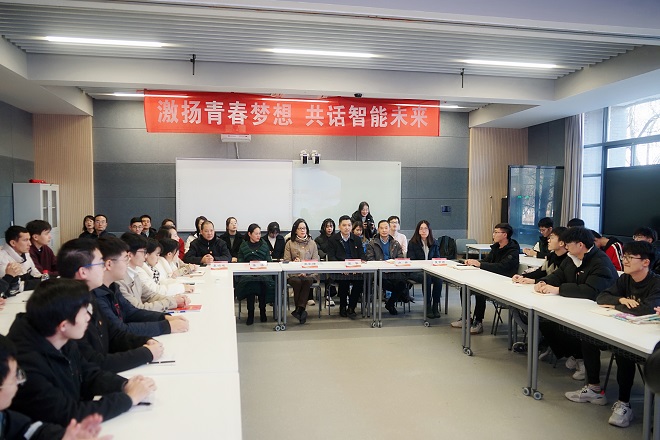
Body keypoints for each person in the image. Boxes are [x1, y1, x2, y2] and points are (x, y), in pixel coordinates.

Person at [7, 278, 157, 426]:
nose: (88, 318)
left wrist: (125, 385)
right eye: (84, 312)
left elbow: (88, 373)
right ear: (63, 325)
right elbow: (68, 414)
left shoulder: (57, 334)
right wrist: (128, 399)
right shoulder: (25, 363)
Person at [564, 241, 660, 428]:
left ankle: (624, 404)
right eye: (625, 257)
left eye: (630, 258)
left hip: (646, 339)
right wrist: (621, 300)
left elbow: (646, 309)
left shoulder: (656, 283)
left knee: (624, 351)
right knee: (589, 337)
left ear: (646, 262)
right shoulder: (625, 279)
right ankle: (594, 389)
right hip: (623, 328)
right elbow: (601, 297)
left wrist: (615, 305)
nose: (625, 261)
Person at [57, 238, 163, 373]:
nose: (104, 268)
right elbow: (93, 363)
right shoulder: (67, 309)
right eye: (100, 264)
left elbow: (114, 334)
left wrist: (145, 341)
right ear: (83, 272)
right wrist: (145, 353)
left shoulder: (88, 297)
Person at [534, 227, 618, 379]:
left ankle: (582, 358)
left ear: (580, 245)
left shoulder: (600, 262)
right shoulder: (571, 258)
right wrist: (543, 282)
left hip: (597, 310)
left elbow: (590, 291)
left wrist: (559, 289)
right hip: (575, 305)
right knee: (545, 321)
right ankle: (575, 354)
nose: (566, 247)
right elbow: (558, 275)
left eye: (568, 244)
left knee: (565, 326)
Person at [0, 334, 112, 439]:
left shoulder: (4, 417)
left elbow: (29, 430)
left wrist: (65, 436)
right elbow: (66, 413)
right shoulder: (32, 361)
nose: (19, 382)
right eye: (13, 377)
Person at [93, 237, 189, 337]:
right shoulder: (98, 295)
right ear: (109, 264)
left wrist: (164, 317)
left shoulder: (114, 286)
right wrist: (166, 326)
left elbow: (132, 312)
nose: (127, 263)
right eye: (125, 259)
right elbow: (119, 330)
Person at [454, 223, 520, 335]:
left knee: (480, 290)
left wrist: (480, 265)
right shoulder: (496, 247)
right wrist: (475, 262)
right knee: (464, 288)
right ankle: (466, 317)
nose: (493, 235)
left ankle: (478, 321)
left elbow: (502, 267)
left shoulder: (512, 251)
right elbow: (488, 261)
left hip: (504, 282)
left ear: (505, 235)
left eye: (496, 232)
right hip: (492, 279)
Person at [117, 233, 188, 312]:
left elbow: (150, 295)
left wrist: (174, 300)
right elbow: (137, 308)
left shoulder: (134, 275)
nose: (145, 256)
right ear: (130, 255)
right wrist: (172, 302)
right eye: (143, 252)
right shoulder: (120, 281)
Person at [366, 220, 409, 316]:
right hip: (379, 272)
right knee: (389, 284)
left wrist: (394, 263)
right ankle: (402, 295)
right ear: (378, 229)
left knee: (402, 283)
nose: (384, 230)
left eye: (386, 228)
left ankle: (390, 303)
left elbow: (400, 258)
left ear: (389, 229)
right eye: (381, 228)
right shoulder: (372, 244)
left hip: (394, 271)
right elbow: (370, 259)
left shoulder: (395, 243)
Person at [327, 215, 365, 319]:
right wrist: (342, 268)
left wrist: (357, 266)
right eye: (344, 225)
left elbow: (362, 255)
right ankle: (343, 306)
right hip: (340, 270)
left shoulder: (356, 239)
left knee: (359, 281)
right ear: (339, 227)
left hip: (355, 269)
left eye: (349, 225)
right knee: (344, 281)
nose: (347, 227)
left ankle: (352, 307)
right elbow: (331, 257)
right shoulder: (333, 240)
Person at [236, 224, 274, 325]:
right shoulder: (243, 246)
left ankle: (263, 311)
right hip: (248, 275)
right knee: (251, 284)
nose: (258, 236)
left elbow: (269, 262)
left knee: (262, 283)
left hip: (263, 274)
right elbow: (240, 262)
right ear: (249, 234)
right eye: (256, 234)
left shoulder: (264, 245)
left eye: (259, 234)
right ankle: (250, 314)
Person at [284, 219, 319, 325]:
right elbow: (286, 261)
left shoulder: (312, 243)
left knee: (307, 280)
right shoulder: (289, 243)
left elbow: (315, 260)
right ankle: (301, 310)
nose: (303, 230)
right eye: (300, 228)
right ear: (295, 230)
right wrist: (294, 264)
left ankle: (299, 310)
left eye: (304, 228)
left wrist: (307, 272)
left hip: (309, 273)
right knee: (297, 281)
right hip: (293, 274)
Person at [407, 220, 444, 318]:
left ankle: (435, 305)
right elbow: (412, 260)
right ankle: (427, 306)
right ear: (418, 230)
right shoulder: (412, 243)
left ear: (429, 230)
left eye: (426, 229)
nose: (423, 231)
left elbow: (437, 258)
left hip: (431, 270)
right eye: (421, 229)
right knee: (426, 277)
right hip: (416, 271)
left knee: (439, 278)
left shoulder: (434, 242)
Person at [0, 226, 42, 292]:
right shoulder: (2, 259)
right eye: (25, 240)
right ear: (13, 243)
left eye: (29, 239)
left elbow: (35, 273)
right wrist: (42, 282)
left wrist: (45, 280)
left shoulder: (25, 253)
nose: (30, 244)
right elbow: (16, 287)